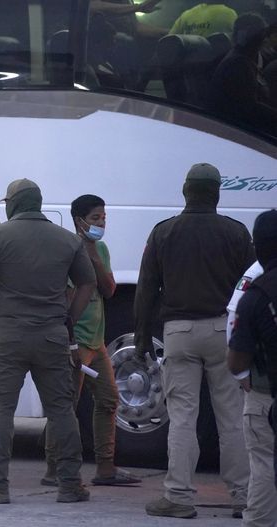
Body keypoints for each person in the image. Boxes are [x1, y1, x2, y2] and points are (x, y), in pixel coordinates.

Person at [0, 178, 96, 505]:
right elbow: (87, 284)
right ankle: (69, 484)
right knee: (62, 410)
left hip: (7, 333)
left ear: (13, 204)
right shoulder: (67, 239)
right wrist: (68, 318)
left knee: (0, 410)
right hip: (52, 334)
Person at [134, 162, 252, 519]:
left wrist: (141, 337)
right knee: (231, 416)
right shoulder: (236, 232)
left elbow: (146, 289)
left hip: (179, 333)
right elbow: (250, 287)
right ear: (217, 193)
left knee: (183, 416)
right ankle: (244, 496)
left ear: (185, 191)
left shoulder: (164, 232)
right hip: (223, 331)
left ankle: (179, 497)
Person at [43, 195, 140, 487]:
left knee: (109, 400)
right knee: (65, 406)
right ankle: (53, 469)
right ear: (78, 220)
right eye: (95, 218)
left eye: (104, 218)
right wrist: (69, 341)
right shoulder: (67, 250)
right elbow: (66, 299)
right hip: (76, 340)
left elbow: (109, 290)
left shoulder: (101, 249)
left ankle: (105, 468)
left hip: (96, 341)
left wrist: (95, 256)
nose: (101, 223)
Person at [228, 210, 277, 522]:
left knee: (263, 465)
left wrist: (244, 376)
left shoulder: (255, 294)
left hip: (265, 394)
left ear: (257, 247)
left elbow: (236, 360)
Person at [209, 12, 277, 135]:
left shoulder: (244, 59)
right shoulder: (237, 65)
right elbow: (249, 109)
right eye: (262, 34)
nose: (266, 39)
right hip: (244, 135)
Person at [169, 2, 238, 36]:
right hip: (219, 61)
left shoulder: (188, 14)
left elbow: (169, 40)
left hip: (190, 62)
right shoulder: (230, 14)